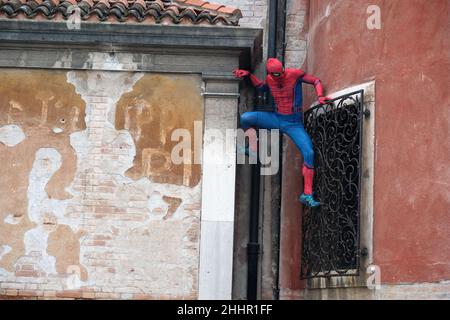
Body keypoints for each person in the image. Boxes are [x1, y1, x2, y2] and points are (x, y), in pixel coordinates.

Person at [233, 58, 330, 208]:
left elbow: (315, 80)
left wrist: (320, 96)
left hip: (293, 124)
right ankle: (253, 149)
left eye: (281, 72)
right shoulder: (270, 80)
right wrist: (248, 75)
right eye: (275, 74)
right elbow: (261, 87)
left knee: (309, 153)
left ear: (284, 69)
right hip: (277, 118)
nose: (280, 76)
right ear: (270, 73)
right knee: (246, 118)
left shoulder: (294, 74)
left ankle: (307, 194)